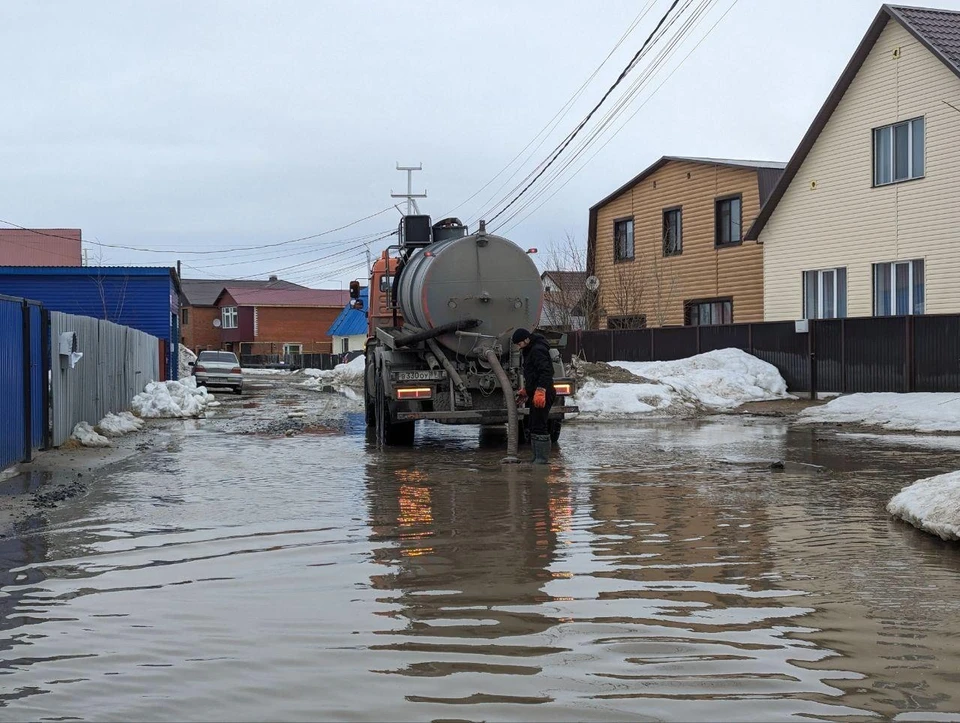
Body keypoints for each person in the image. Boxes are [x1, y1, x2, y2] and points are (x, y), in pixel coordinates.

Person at [511, 328, 555, 464]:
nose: (518, 347)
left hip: (543, 393)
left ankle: (541, 460)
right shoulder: (530, 350)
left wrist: (541, 390)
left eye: (519, 343)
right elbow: (533, 375)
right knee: (533, 424)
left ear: (526, 339)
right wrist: (527, 390)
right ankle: (537, 457)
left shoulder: (537, 350)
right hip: (536, 392)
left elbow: (547, 372)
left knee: (540, 425)